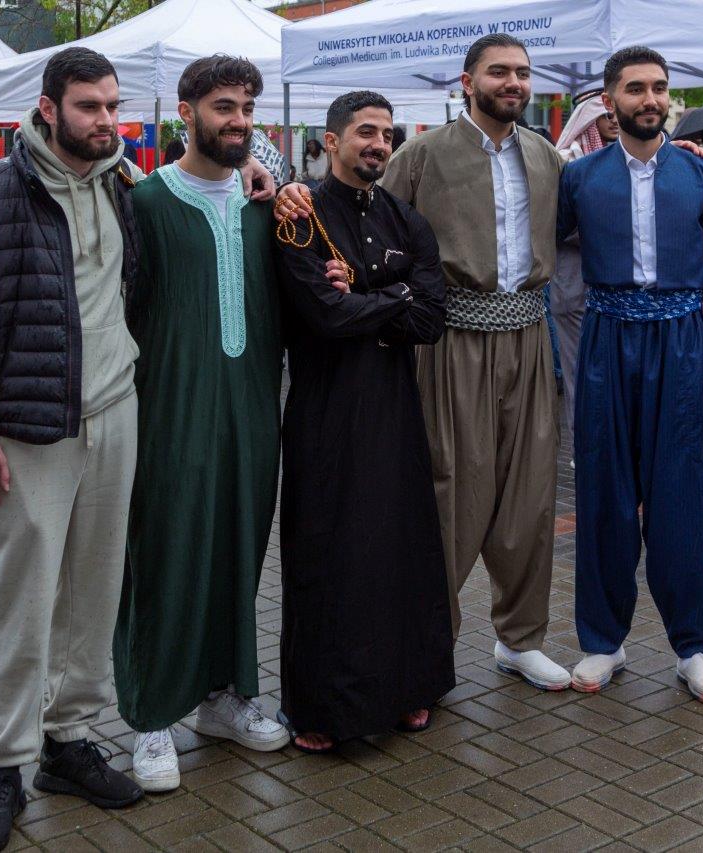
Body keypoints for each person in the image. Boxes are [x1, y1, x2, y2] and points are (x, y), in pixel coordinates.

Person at [0, 47, 147, 853]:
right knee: (20, 601)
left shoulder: (122, 183)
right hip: (30, 428)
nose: (105, 120)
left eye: (113, 105)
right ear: (48, 107)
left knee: (95, 590)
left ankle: (68, 740)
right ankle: (4, 764)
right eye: (89, 106)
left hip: (115, 413)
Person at [117, 55, 289, 794]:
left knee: (239, 546)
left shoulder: (266, 203)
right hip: (170, 406)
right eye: (224, 107)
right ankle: (152, 713)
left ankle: (225, 696)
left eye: (247, 107)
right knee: (167, 549)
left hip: (252, 403)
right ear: (186, 112)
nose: (239, 121)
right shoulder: (147, 201)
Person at [378, 34, 571, 691]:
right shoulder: (422, 154)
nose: (513, 82)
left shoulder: (546, 156)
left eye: (522, 72)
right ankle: (427, 646)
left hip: (530, 339)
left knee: (529, 497)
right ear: (468, 81)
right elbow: (372, 224)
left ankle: (520, 638)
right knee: (451, 494)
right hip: (453, 340)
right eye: (499, 72)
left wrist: (675, 154)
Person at [558, 45, 703, 706]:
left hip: (684, 345)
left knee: (685, 497)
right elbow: (531, 243)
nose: (650, 99)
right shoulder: (580, 179)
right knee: (603, 495)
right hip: (606, 342)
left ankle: (696, 649)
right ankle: (602, 640)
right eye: (636, 88)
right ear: (609, 102)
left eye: (659, 87)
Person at [272, 90, 455, 753]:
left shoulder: (408, 221)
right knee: (329, 549)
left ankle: (407, 689)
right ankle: (323, 706)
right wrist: (397, 296)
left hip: (395, 404)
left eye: (387, 134)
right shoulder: (299, 217)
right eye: (366, 132)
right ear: (331, 141)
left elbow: (432, 319)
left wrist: (370, 294)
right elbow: (325, 315)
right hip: (326, 407)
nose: (379, 144)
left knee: (400, 545)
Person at [550, 95, 618, 437]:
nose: (614, 121)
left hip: (609, 286)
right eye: (606, 116)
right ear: (589, 121)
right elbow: (556, 223)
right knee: (579, 369)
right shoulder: (568, 161)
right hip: (574, 284)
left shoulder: (623, 159)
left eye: (616, 114)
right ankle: (583, 444)